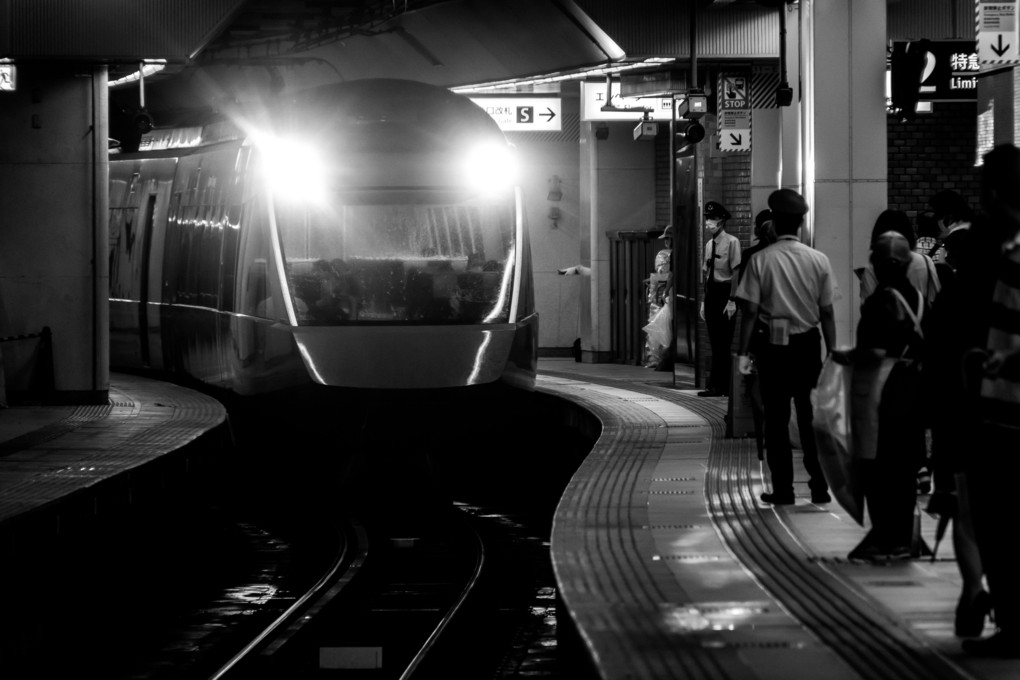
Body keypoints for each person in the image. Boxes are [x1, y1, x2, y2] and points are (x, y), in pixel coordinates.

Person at [734, 189, 838, 505]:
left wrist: (742, 354)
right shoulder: (819, 260)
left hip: (773, 349)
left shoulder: (761, 261)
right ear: (801, 224)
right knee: (811, 420)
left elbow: (750, 312)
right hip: (809, 348)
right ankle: (820, 487)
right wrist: (832, 352)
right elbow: (828, 311)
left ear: (775, 224)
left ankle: (784, 490)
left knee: (777, 420)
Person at [957, 144, 1020, 658]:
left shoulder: (998, 254)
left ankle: (1013, 620)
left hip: (1001, 413)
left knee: (997, 519)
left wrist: (999, 362)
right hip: (996, 407)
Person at [842, 231, 927, 562]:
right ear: (908, 263)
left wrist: (847, 357)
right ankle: (902, 538)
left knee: (875, 466)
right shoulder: (919, 300)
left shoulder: (879, 301)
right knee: (904, 465)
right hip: (913, 391)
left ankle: (882, 536)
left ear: (876, 262)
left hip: (881, 393)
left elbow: (873, 351)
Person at [922, 221, 988, 637]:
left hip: (959, 418)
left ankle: (972, 589)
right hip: (1002, 418)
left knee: (966, 510)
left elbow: (934, 361)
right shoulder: (1005, 293)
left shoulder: (952, 299)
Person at [699, 201, 741, 397]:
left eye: (712, 219)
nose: (709, 223)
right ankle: (715, 385)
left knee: (724, 343)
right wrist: (703, 299)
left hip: (726, 293)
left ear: (721, 221)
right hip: (712, 294)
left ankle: (723, 386)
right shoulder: (709, 245)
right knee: (715, 342)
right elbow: (706, 273)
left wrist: (732, 299)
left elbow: (736, 272)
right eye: (707, 219)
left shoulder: (732, 242)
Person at [858, 209, 940, 308]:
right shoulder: (926, 262)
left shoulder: (872, 268)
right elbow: (935, 299)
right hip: (921, 320)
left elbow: (868, 308)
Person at [644, 225, 675, 371]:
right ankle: (655, 358)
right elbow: (662, 270)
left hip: (667, 295)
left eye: (668, 239)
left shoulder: (675, 254)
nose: (666, 242)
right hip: (662, 296)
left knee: (666, 327)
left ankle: (664, 357)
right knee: (659, 328)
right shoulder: (663, 255)